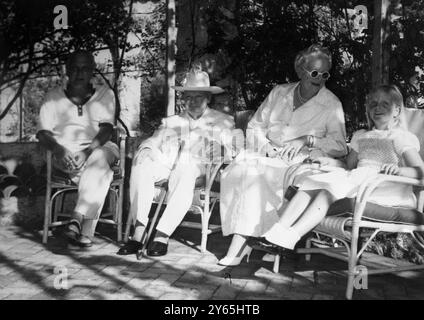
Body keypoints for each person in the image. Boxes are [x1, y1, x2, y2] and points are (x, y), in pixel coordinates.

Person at [251, 84, 424, 253]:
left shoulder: (400, 137)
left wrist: (400, 171)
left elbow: (420, 170)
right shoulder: (361, 135)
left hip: (384, 187)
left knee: (326, 193)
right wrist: (330, 162)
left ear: (397, 111)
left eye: (385, 104)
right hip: (359, 180)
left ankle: (293, 235)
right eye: (373, 104)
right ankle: (278, 230)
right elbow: (349, 166)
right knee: (310, 184)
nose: (377, 108)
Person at [219, 44, 348, 266]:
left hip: (300, 161)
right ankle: (248, 239)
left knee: (256, 175)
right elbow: (254, 127)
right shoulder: (279, 93)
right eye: (315, 72)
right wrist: (266, 147)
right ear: (300, 70)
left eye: (325, 74)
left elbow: (339, 146)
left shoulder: (331, 104)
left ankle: (241, 246)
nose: (320, 78)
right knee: (240, 169)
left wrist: (308, 140)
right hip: (268, 153)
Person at [118, 67, 238, 257]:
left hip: (198, 169)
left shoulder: (223, 121)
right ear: (183, 99)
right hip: (166, 165)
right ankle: (139, 230)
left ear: (208, 98)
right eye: (188, 97)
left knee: (186, 167)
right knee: (142, 164)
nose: (193, 101)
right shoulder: (171, 121)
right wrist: (147, 148)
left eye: (199, 97)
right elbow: (153, 140)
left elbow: (232, 150)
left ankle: (162, 234)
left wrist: (222, 149)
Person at [37, 50, 119, 247]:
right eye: (74, 68)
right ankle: (86, 229)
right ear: (67, 70)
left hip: (100, 150)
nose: (79, 73)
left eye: (85, 69)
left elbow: (106, 131)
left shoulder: (105, 95)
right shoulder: (52, 97)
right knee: (100, 173)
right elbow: (42, 133)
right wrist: (58, 150)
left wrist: (87, 151)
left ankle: (76, 217)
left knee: (98, 159)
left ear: (92, 71)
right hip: (66, 157)